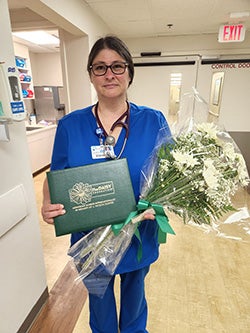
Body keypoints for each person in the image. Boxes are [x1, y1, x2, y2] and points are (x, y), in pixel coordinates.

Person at [41, 35, 172, 333]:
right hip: (91, 238)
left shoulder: (154, 121)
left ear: (129, 72)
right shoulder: (70, 126)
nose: (109, 74)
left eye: (117, 66)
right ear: (90, 75)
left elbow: (171, 179)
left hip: (139, 236)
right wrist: (47, 206)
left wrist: (160, 204)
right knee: (99, 304)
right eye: (99, 67)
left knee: (134, 300)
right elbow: (57, 175)